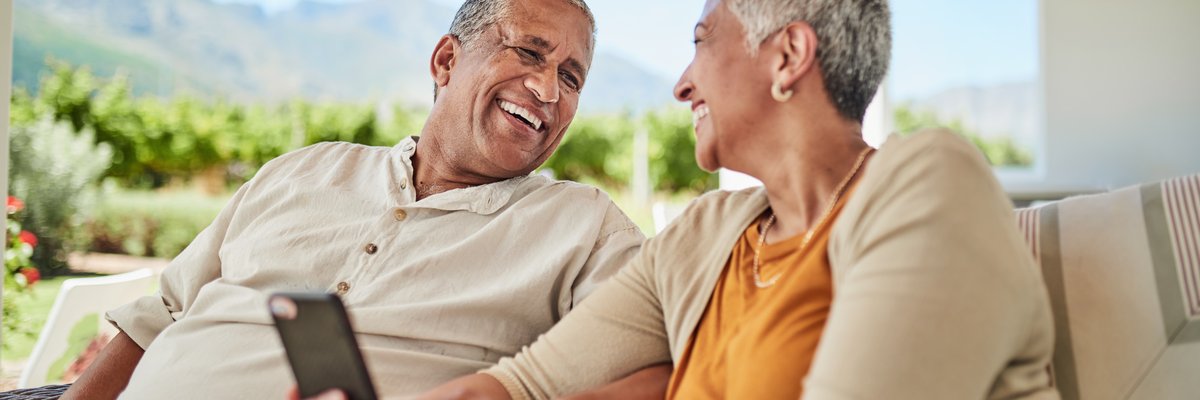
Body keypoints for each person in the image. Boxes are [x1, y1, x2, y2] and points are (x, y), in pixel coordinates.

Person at [419, 0, 1059, 399]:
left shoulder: (928, 183)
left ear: (788, 57)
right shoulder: (707, 234)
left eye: (701, 41)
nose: (681, 83)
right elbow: (523, 387)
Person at [61, 0, 646, 399]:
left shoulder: (585, 227)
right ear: (446, 61)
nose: (548, 90)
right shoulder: (301, 171)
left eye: (572, 77)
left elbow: (662, 370)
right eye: (529, 53)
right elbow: (155, 321)